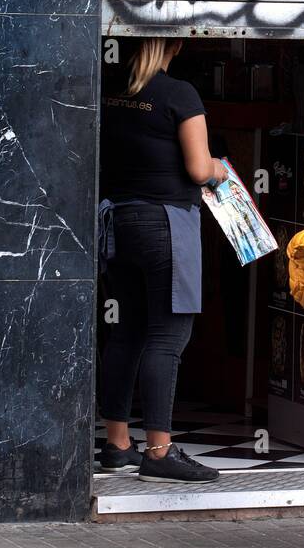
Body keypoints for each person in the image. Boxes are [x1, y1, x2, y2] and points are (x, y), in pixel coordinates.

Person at [97, 38, 228, 483]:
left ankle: (116, 444)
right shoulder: (178, 94)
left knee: (127, 331)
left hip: (118, 221)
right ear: (178, 43)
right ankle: (159, 451)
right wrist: (218, 169)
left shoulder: (112, 87)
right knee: (168, 336)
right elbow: (196, 168)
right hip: (166, 224)